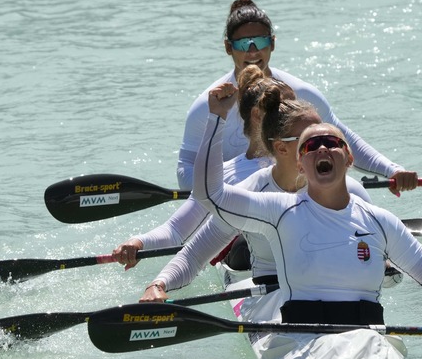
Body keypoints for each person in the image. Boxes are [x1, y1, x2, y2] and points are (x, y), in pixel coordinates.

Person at [194, 81, 422, 359]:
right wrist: (216, 119)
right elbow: (211, 196)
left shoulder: (380, 221)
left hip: (368, 346)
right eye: (311, 146)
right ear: (300, 163)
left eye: (332, 143)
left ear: (349, 159)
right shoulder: (277, 211)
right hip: (302, 347)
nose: (322, 148)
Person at [137, 85, 379, 322]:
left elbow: (385, 262)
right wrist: (158, 284)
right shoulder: (253, 191)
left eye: (328, 138)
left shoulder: (352, 192)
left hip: (340, 298)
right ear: (281, 147)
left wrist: (383, 265)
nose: (323, 145)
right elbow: (195, 253)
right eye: (310, 141)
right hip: (271, 300)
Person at [175, 0, 419, 196]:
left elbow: (345, 141)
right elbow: (186, 169)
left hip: (297, 201)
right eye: (242, 44)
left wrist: (392, 170)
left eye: (260, 41)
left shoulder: (301, 94)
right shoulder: (206, 107)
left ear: (272, 43)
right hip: (237, 211)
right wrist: (229, 196)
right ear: (229, 48)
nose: (252, 50)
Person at [110, 66, 288, 268]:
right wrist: (138, 243)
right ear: (257, 115)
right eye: (288, 107)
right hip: (246, 262)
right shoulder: (224, 175)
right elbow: (176, 231)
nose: (297, 113)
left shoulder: (309, 161)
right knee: (242, 245)